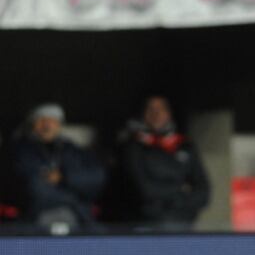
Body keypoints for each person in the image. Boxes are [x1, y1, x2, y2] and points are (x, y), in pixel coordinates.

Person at [116, 96, 210, 231]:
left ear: (169, 112)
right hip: (145, 223)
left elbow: (204, 192)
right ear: (142, 113)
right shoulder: (133, 146)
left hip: (183, 222)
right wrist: (181, 190)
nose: (156, 114)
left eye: (161, 108)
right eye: (151, 109)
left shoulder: (185, 145)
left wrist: (176, 200)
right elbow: (145, 191)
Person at [8, 103, 104, 234]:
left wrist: (64, 178)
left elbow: (97, 178)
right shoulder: (20, 150)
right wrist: (75, 198)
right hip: (34, 221)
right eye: (42, 120)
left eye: (52, 121)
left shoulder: (72, 150)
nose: (47, 125)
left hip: (78, 220)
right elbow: (34, 189)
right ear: (32, 124)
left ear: (59, 125)